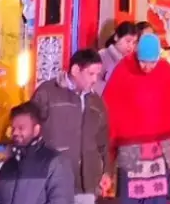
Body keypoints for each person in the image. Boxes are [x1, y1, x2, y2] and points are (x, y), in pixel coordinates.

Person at [103, 31, 170, 204]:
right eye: (143, 62)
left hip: (159, 147)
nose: (147, 67)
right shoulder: (124, 68)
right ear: (137, 55)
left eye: (152, 62)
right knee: (130, 195)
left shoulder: (164, 69)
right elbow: (110, 104)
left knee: (159, 196)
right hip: (131, 147)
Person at [31, 48, 112, 204]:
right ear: (75, 70)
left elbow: (103, 141)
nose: (95, 79)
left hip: (87, 182)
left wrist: (106, 171)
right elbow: (31, 130)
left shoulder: (97, 102)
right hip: (53, 179)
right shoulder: (47, 93)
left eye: (97, 74)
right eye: (91, 74)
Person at [0, 102, 74, 204]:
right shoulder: (8, 167)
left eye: (21, 128)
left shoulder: (56, 163)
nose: (15, 133)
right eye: (13, 128)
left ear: (36, 130)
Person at [97, 22, 139, 93]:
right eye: (128, 41)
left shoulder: (132, 61)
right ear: (116, 37)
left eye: (134, 43)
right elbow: (95, 84)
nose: (131, 46)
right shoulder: (102, 55)